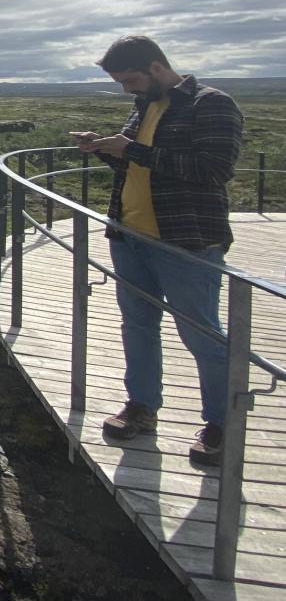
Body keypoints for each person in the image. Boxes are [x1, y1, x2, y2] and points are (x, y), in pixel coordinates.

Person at [70, 35, 242, 468]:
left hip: (185, 242)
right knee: (138, 325)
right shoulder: (144, 104)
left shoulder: (212, 104)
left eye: (130, 80)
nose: (127, 89)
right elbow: (137, 162)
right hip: (130, 237)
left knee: (202, 334)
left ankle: (222, 425)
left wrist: (132, 149)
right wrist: (106, 147)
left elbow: (214, 170)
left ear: (155, 66)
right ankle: (142, 408)